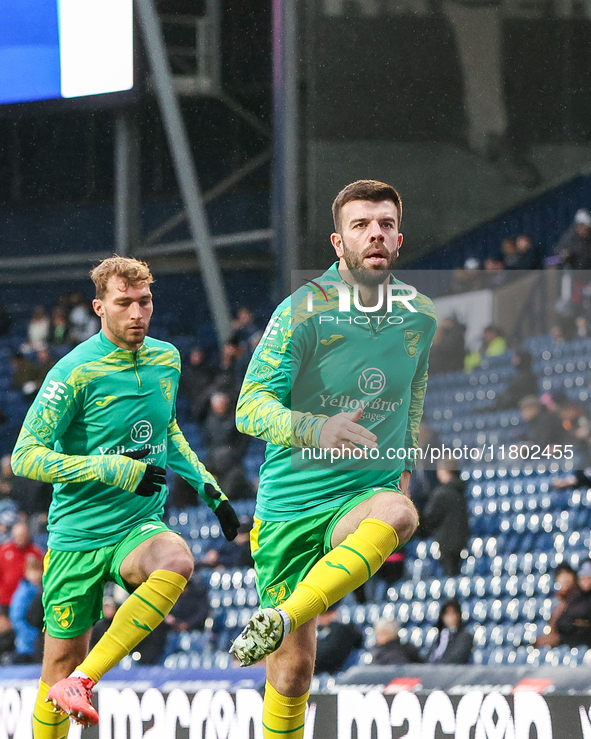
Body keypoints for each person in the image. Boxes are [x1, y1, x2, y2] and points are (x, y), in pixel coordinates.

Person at [229, 180, 436, 739]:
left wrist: (403, 469)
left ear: (398, 238)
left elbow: (411, 397)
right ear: (337, 243)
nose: (375, 234)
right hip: (290, 505)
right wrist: (317, 427)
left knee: (399, 513)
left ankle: (283, 616)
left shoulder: (419, 315)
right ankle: (286, 629)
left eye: (385, 224)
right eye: (361, 225)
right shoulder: (302, 310)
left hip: (360, 495)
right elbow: (249, 409)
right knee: (293, 674)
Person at [10, 255, 240, 734]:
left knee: (176, 559)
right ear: (99, 307)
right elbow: (26, 457)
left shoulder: (166, 358)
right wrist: (110, 469)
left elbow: (168, 430)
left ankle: (87, 678)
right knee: (58, 664)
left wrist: (208, 489)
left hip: (137, 526)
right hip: (77, 536)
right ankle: (72, 678)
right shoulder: (72, 372)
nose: (137, 313)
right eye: (124, 303)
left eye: (145, 301)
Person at [422, 460, 469, 577]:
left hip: (446, 541)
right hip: (461, 540)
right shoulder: (461, 490)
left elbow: (429, 518)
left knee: (449, 576)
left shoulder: (441, 493)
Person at [0, 521, 44, 616]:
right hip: (6, 600)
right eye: (18, 535)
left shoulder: (35, 551)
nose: (20, 538)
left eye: (23, 535)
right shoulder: (4, 550)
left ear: (28, 535)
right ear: (13, 535)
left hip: (29, 599)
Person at [535, 563, 581, 648]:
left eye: (567, 575)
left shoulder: (580, 600)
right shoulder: (560, 602)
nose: (565, 579)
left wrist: (557, 639)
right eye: (561, 576)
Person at [9, 555, 43, 663]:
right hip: (27, 646)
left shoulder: (42, 590)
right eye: (32, 571)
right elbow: (17, 618)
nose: (36, 574)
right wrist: (32, 638)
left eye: (38, 570)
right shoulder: (23, 593)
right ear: (26, 572)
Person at [313, 603, 363, 675]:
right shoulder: (321, 629)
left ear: (332, 614)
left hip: (335, 670)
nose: (319, 619)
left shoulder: (341, 629)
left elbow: (329, 652)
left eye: (323, 615)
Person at [427, 599, 473, 664]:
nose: (451, 617)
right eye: (447, 614)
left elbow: (457, 657)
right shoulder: (440, 636)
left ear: (459, 616)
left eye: (453, 613)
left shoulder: (465, 637)